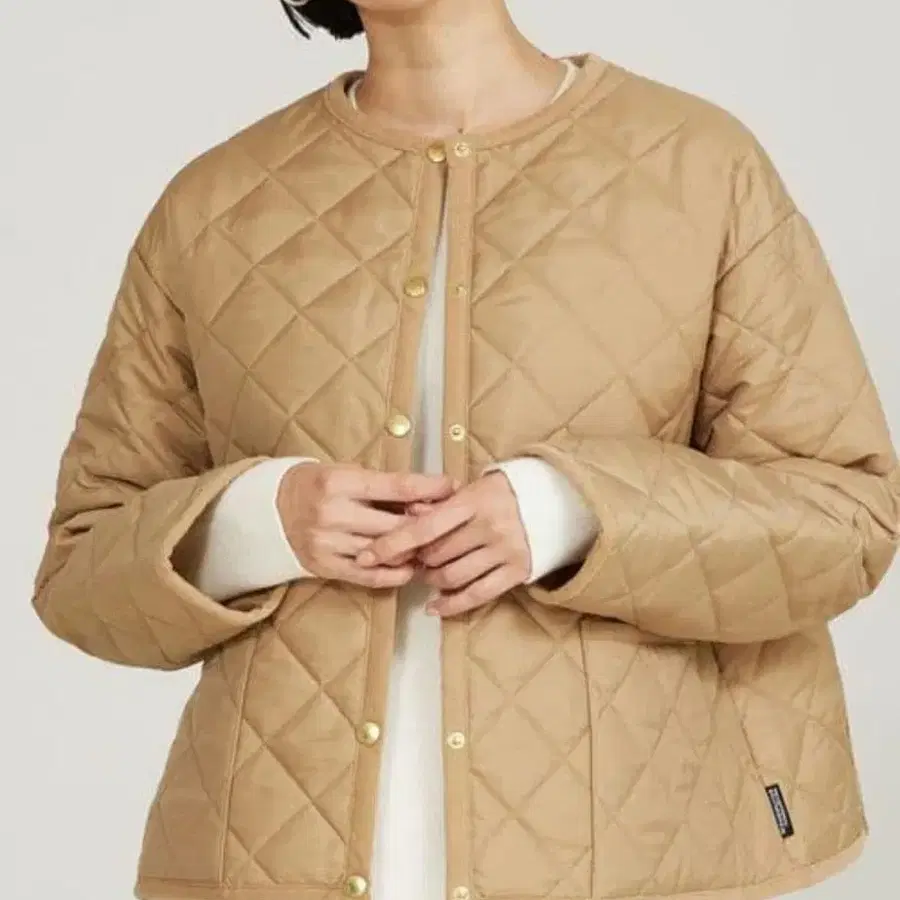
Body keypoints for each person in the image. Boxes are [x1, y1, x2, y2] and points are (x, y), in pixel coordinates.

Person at [31, 1, 899, 899]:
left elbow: (846, 517)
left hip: (621, 853)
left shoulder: (699, 165)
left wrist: (568, 514)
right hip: (267, 862)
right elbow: (81, 571)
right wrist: (261, 519)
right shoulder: (214, 204)